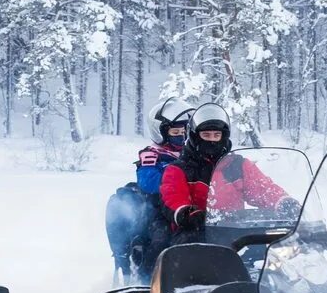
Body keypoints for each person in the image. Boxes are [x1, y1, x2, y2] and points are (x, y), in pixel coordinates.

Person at [160, 103, 290, 233]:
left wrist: (283, 202)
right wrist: (186, 212)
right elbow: (173, 196)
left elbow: (263, 189)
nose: (212, 140)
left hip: (236, 231)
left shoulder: (238, 165)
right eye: (206, 135)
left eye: (217, 135)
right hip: (195, 230)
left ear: (224, 136)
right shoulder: (179, 169)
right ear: (195, 136)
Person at [106, 98, 193, 281]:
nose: (181, 136)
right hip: (157, 209)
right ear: (161, 132)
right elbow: (148, 182)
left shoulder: (193, 152)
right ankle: (146, 279)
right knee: (161, 238)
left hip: (187, 205)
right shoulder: (152, 155)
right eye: (175, 132)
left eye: (183, 131)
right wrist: (176, 179)